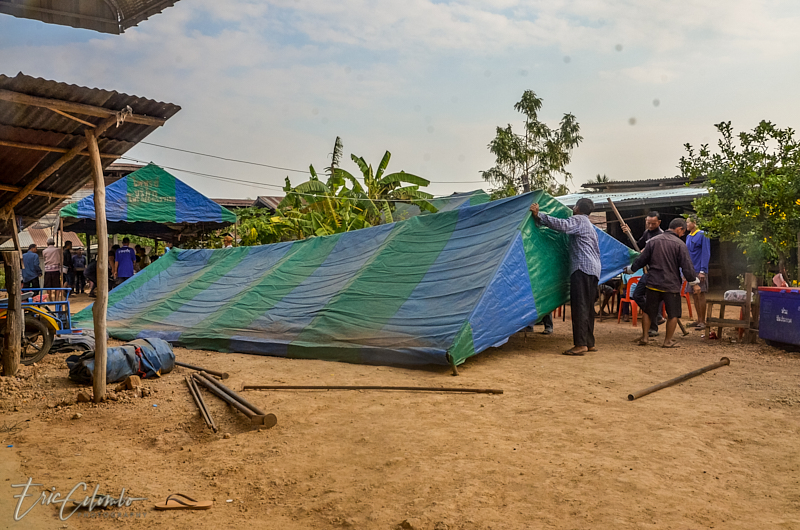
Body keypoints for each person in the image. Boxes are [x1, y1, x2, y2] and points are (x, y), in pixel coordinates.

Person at [530, 198, 601, 356]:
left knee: (579, 306)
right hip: (594, 269)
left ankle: (580, 344)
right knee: (588, 308)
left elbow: (562, 225)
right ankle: (589, 342)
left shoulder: (578, 220)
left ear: (577, 208)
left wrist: (539, 215)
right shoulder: (590, 225)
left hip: (581, 268)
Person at [627, 218, 701, 348]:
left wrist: (630, 269)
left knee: (648, 311)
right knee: (673, 314)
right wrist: (694, 283)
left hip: (653, 283)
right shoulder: (680, 244)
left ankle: (645, 337)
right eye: (682, 232)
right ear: (679, 229)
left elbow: (641, 260)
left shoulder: (652, 241)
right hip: (670, 285)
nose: (682, 235)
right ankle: (667, 341)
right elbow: (687, 266)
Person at [621, 211, 664, 337]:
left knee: (653, 298)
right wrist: (628, 234)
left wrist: (647, 252)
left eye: (653, 223)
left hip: (658, 272)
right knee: (637, 295)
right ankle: (657, 316)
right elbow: (636, 247)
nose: (650, 226)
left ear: (659, 222)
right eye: (648, 223)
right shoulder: (647, 233)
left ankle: (653, 327)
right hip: (648, 272)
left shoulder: (661, 236)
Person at [685, 217, 711, 330]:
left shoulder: (703, 235)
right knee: (694, 295)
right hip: (690, 269)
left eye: (688, 222)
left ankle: (702, 321)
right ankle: (698, 319)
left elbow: (706, 253)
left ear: (694, 223)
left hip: (699, 270)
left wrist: (703, 271)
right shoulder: (688, 236)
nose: (686, 224)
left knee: (700, 294)